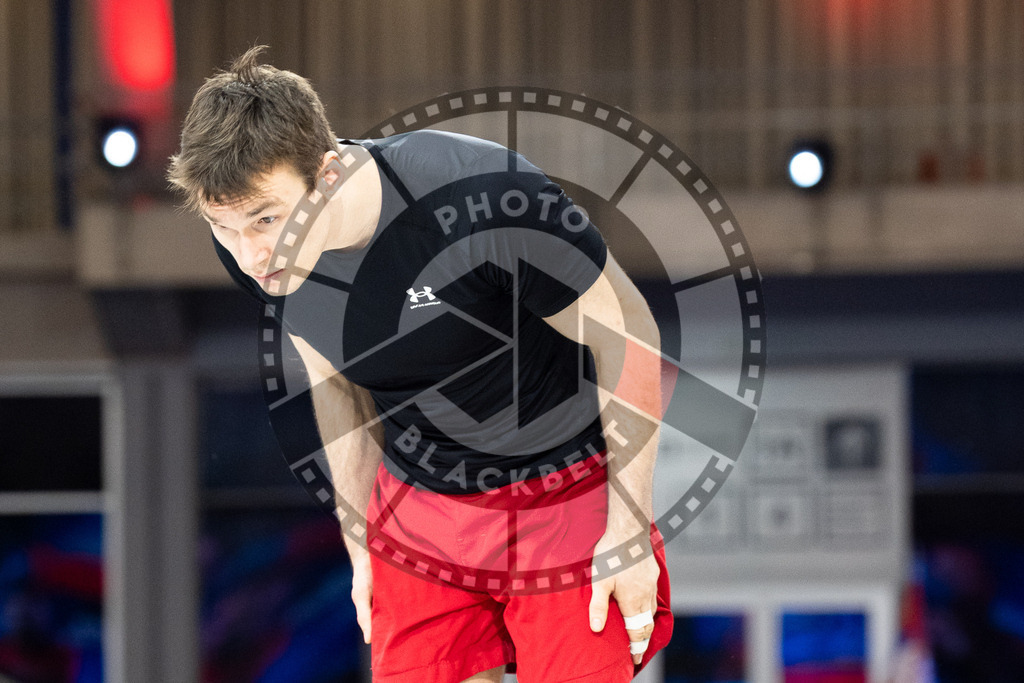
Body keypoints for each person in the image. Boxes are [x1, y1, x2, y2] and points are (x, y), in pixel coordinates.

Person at [168, 46, 672, 682]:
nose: (250, 253)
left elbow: (630, 337)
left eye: (266, 218)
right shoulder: (256, 255)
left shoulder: (480, 196)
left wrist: (627, 531)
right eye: (224, 226)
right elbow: (336, 386)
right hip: (421, 506)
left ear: (326, 174)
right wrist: (360, 543)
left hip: (561, 489)